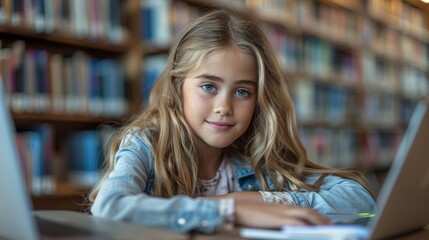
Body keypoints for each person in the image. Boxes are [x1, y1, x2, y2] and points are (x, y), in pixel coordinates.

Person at [89, 9, 377, 233]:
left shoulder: (257, 156)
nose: (224, 107)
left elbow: (362, 203)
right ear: (178, 86)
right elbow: (109, 206)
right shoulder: (146, 144)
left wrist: (265, 201)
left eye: (242, 92)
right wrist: (230, 211)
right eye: (209, 87)